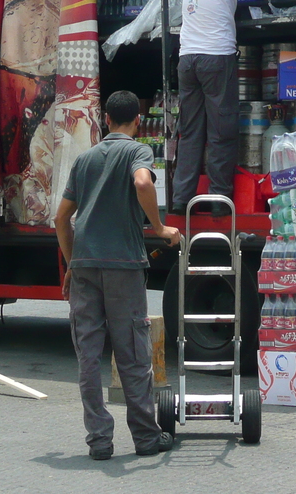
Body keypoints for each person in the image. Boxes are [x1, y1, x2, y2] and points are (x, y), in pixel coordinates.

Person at [54, 90, 182, 461]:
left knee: (89, 357)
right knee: (132, 355)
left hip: (86, 267)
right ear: (137, 120)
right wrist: (158, 227)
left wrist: (73, 262)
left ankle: (99, 442)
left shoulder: (85, 159)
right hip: (123, 266)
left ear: (105, 120)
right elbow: (143, 183)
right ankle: (145, 438)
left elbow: (61, 219)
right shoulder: (138, 151)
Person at [171, 0, 296, 216]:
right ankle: (220, 202)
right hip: (215, 59)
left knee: (190, 133)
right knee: (222, 132)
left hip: (187, 60)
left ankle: (179, 201)